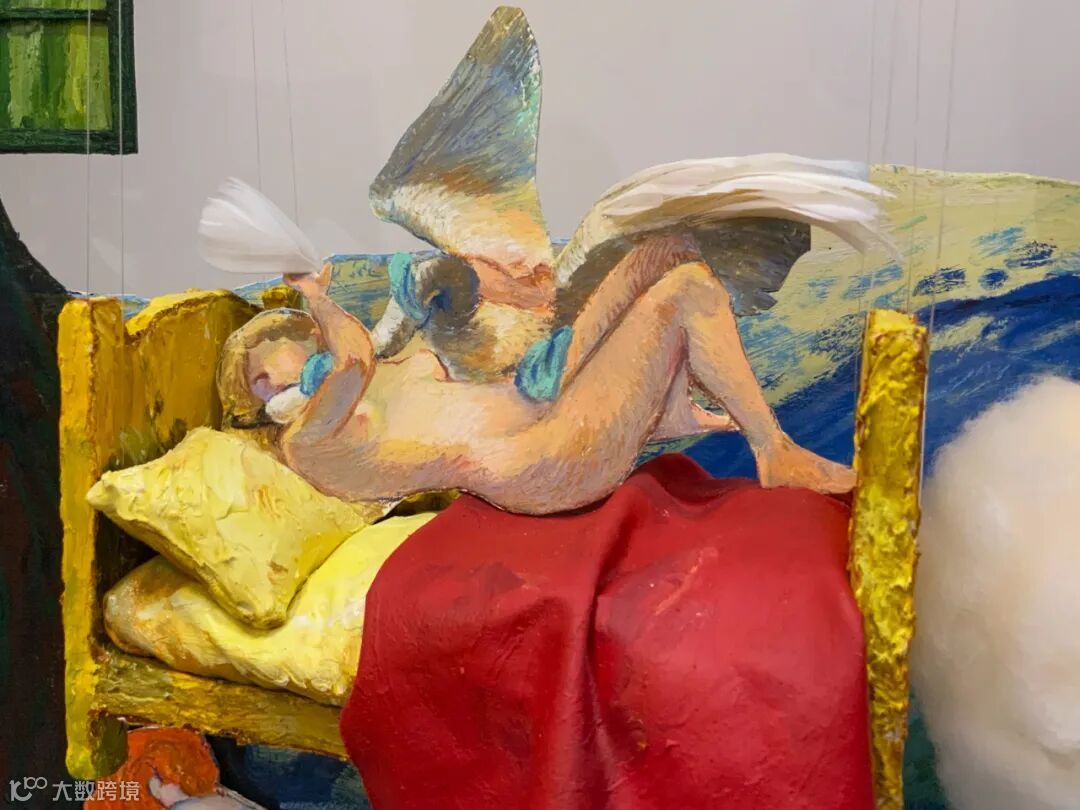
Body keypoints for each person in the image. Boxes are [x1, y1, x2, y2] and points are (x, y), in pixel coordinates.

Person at [218, 225, 859, 516]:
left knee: (662, 251)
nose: (270, 383)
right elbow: (352, 361)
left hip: (546, 410)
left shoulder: (378, 372)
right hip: (538, 460)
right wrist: (317, 295)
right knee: (685, 284)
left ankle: (666, 411)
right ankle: (773, 450)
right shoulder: (306, 440)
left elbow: (381, 352)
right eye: (256, 384)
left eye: (265, 364)